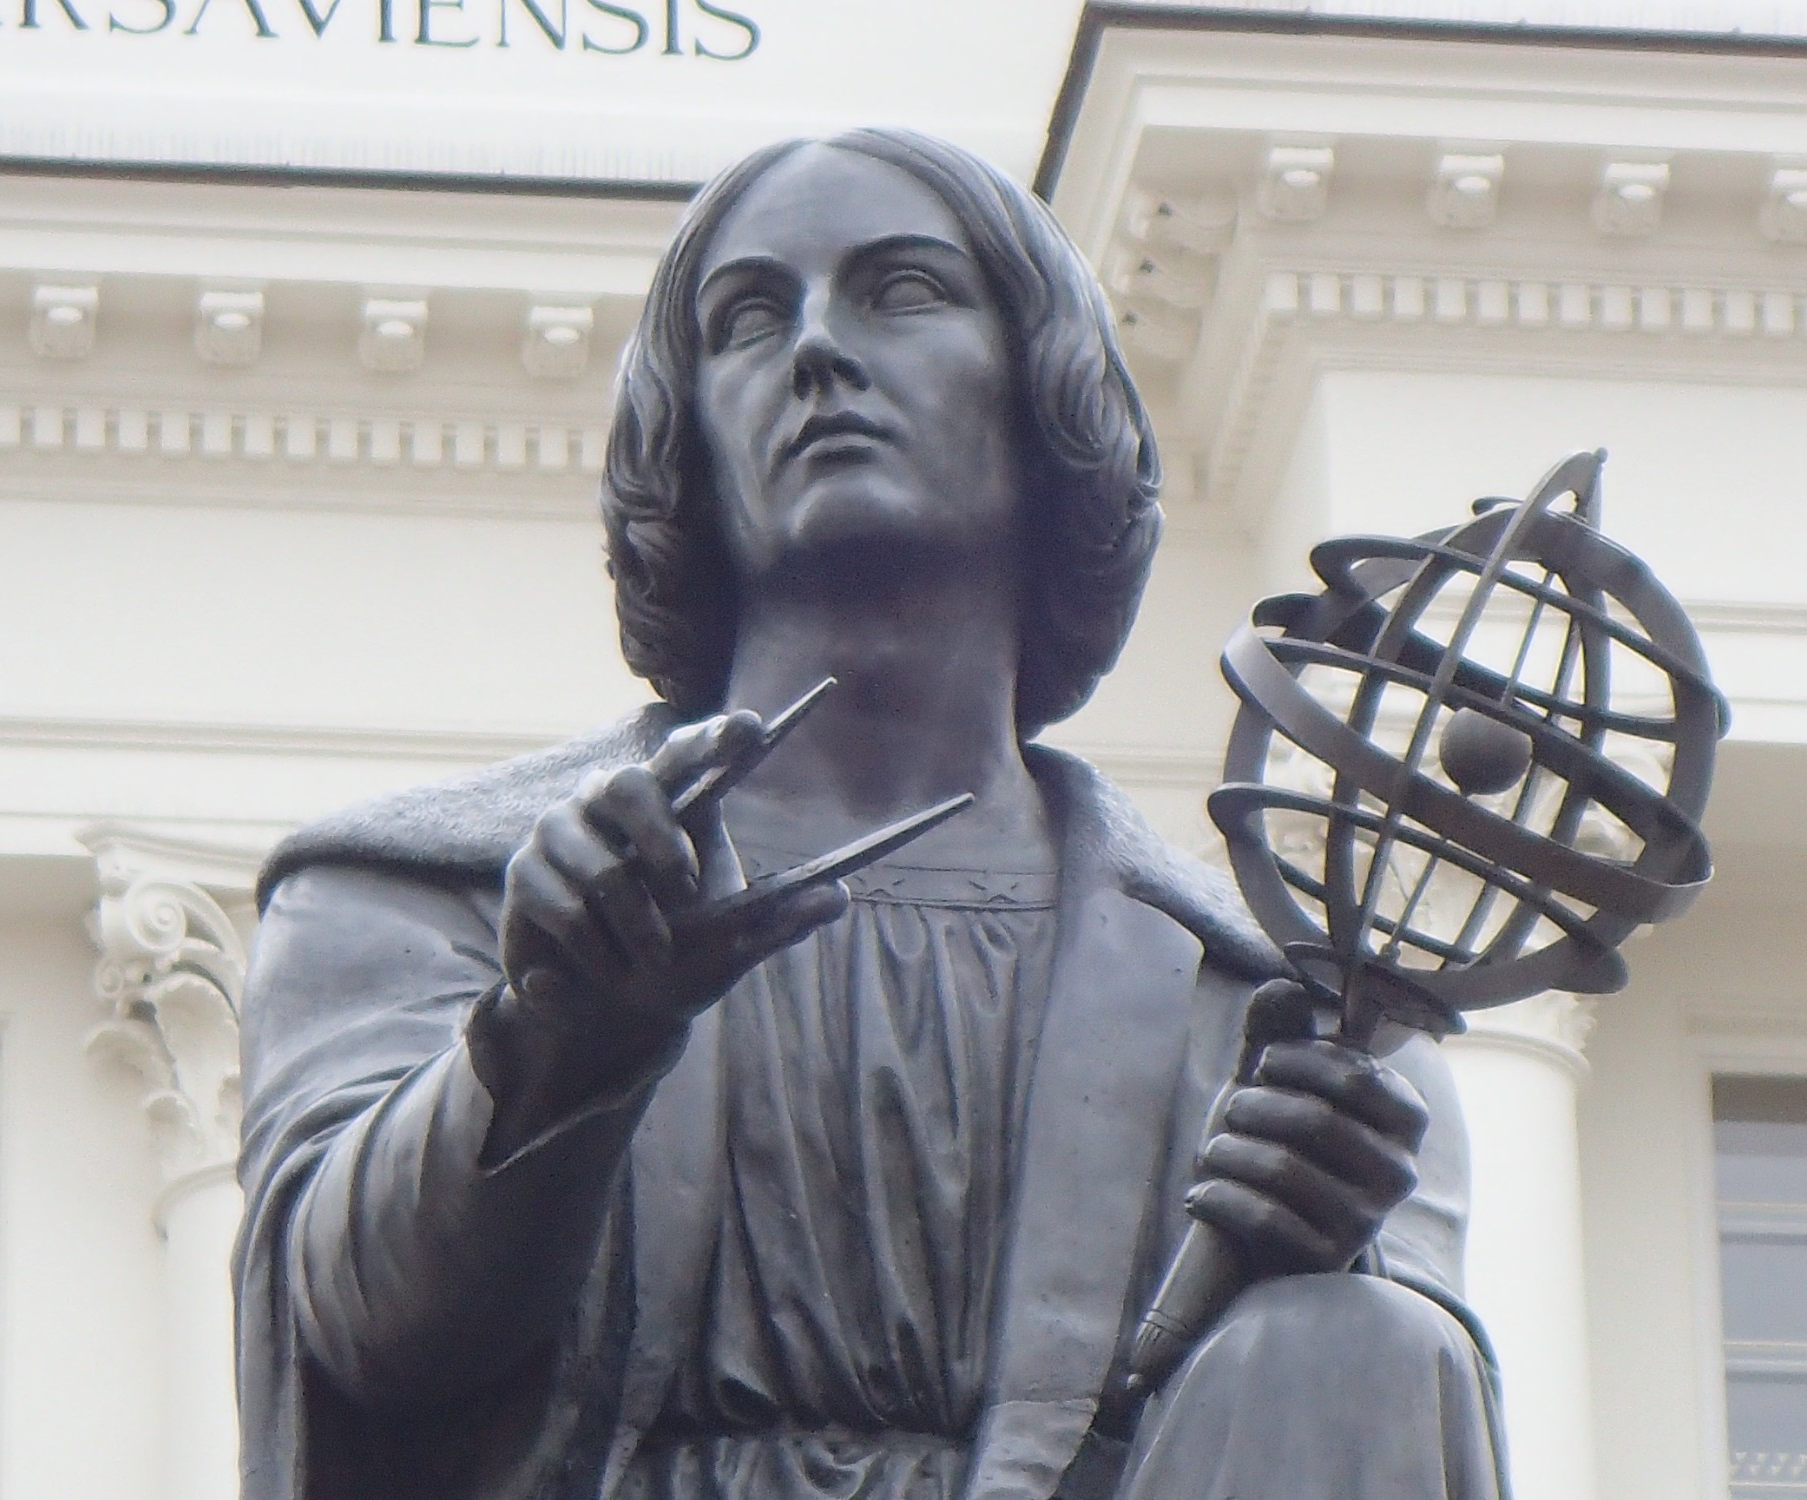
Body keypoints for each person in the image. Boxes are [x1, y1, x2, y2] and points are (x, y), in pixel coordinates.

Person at [234, 128, 1508, 1500]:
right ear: (692, 435)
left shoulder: (1261, 1014)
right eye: (747, 319)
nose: (816, 351)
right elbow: (363, 1340)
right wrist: (557, 1042)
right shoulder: (426, 895)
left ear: (1046, 394)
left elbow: (1392, 1417)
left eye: (903, 292)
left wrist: (1318, 1257)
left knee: (1362, 1345)